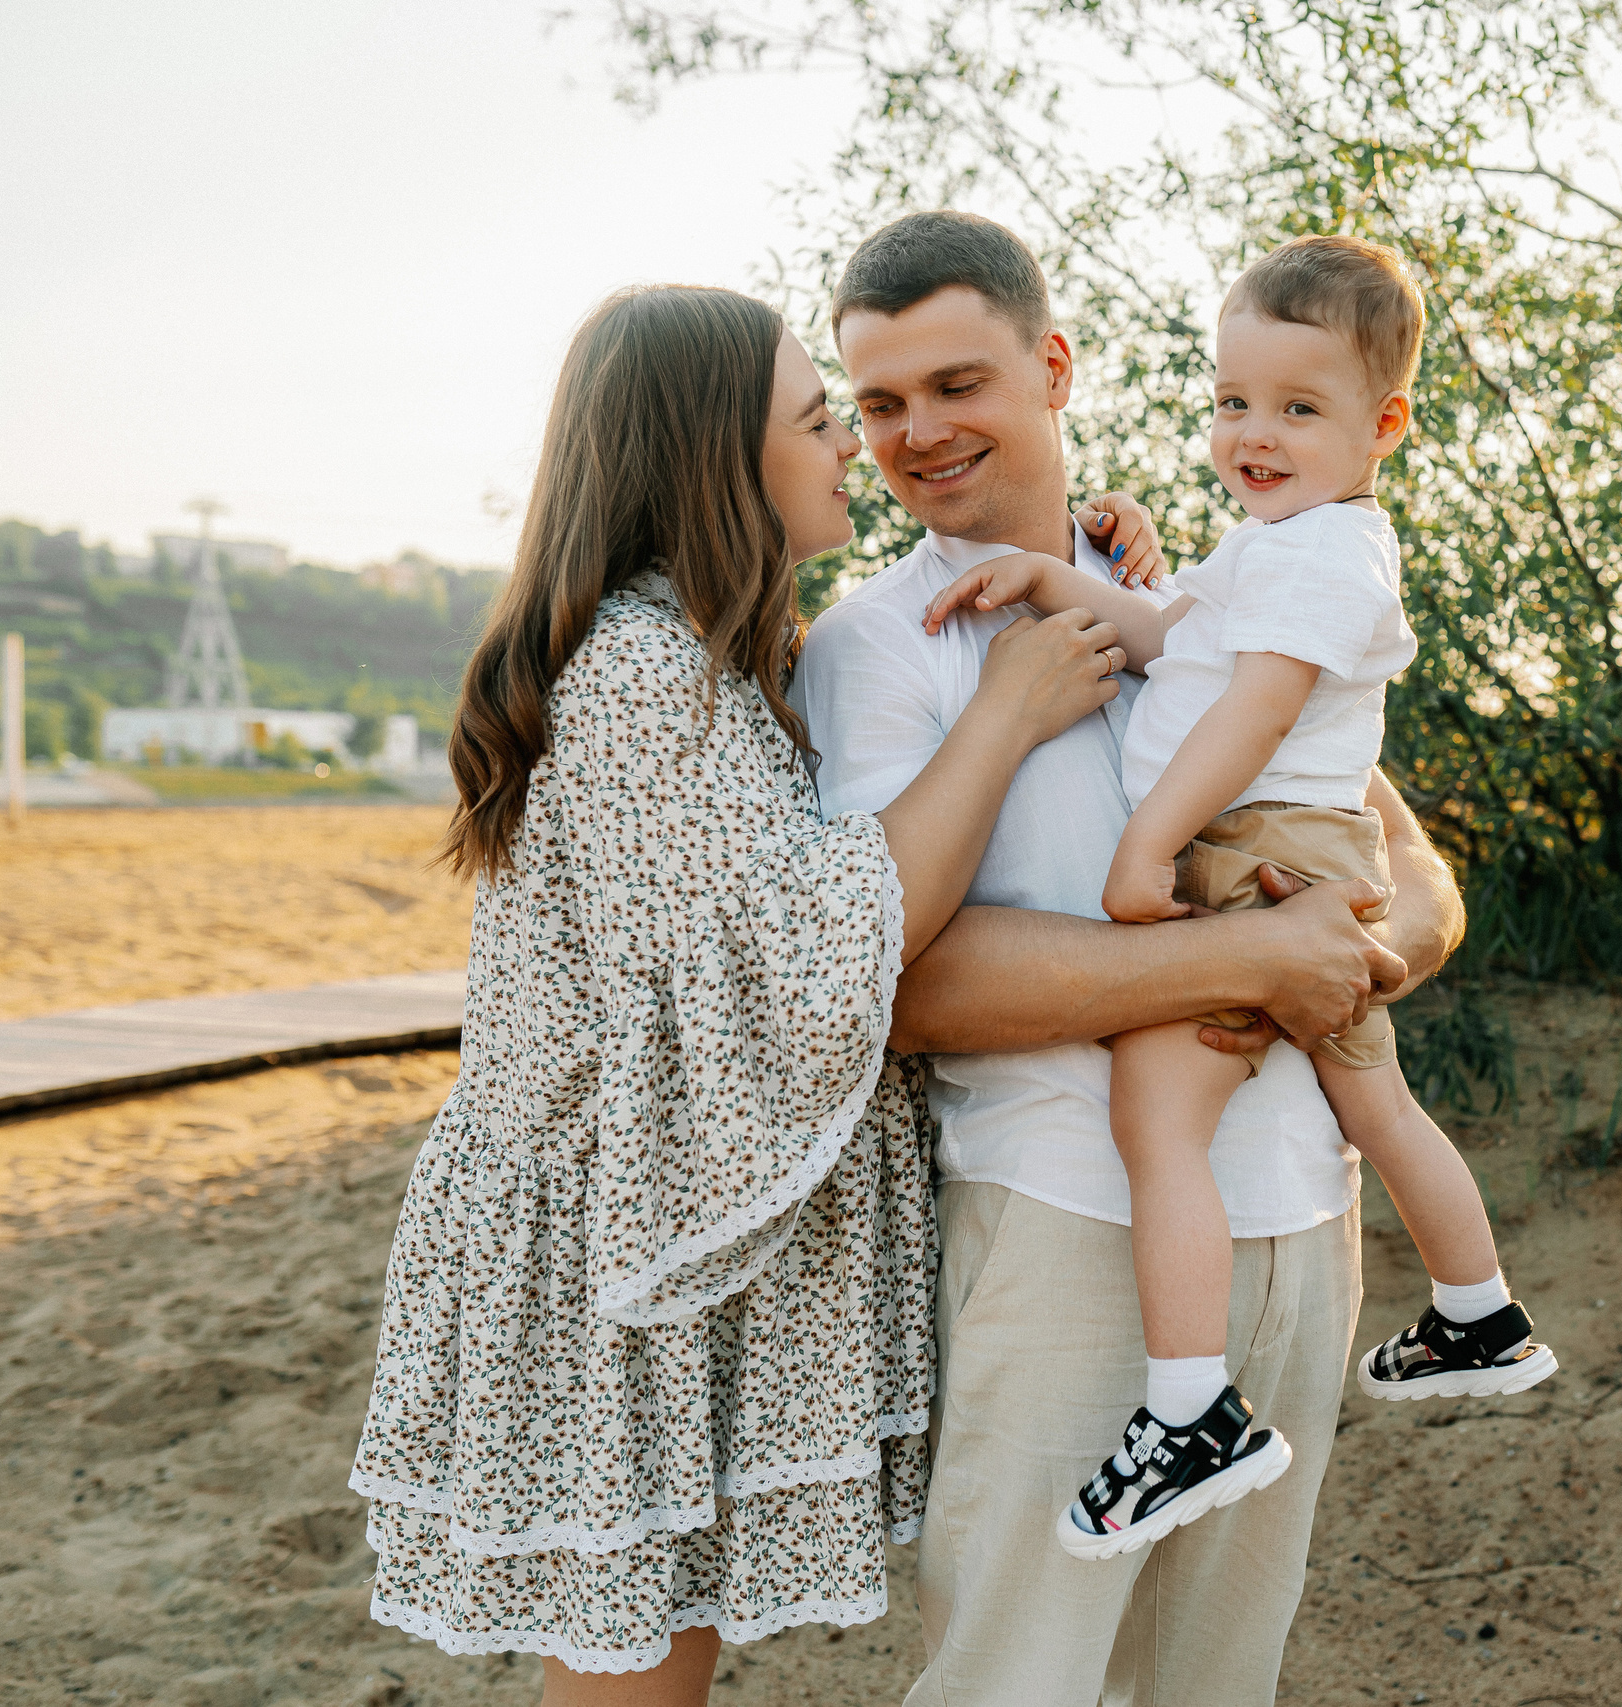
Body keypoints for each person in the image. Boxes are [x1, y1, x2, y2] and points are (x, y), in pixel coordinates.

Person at [347, 283, 1131, 1704]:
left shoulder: (697, 647)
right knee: (636, 1671)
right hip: (623, 1257)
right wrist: (1010, 713)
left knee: (657, 1654)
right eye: (822, 418)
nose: (851, 449)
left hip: (663, 1226)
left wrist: (1101, 565)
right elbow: (823, 946)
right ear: (719, 455)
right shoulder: (640, 677)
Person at [797, 212, 1466, 1704]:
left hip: (1307, 1224)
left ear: (1053, 367)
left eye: (957, 384)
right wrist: (1259, 959)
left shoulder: (1238, 574)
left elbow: (1403, 861)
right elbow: (907, 987)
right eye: (881, 403)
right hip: (1068, 1232)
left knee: (1216, 1692)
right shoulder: (878, 648)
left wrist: (1357, 962)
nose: (918, 435)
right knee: (1015, 1687)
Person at [920, 234, 1555, 1561]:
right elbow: (1179, 644)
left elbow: (1252, 712)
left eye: (1298, 409)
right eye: (1233, 401)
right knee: (1373, 1099)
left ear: (1384, 424)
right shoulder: (1279, 540)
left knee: (1158, 1119)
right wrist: (1057, 582)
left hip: (1257, 847)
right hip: (1288, 850)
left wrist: (1146, 847)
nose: (1252, 435)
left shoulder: (1327, 557)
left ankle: (1192, 1408)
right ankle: (1477, 1310)